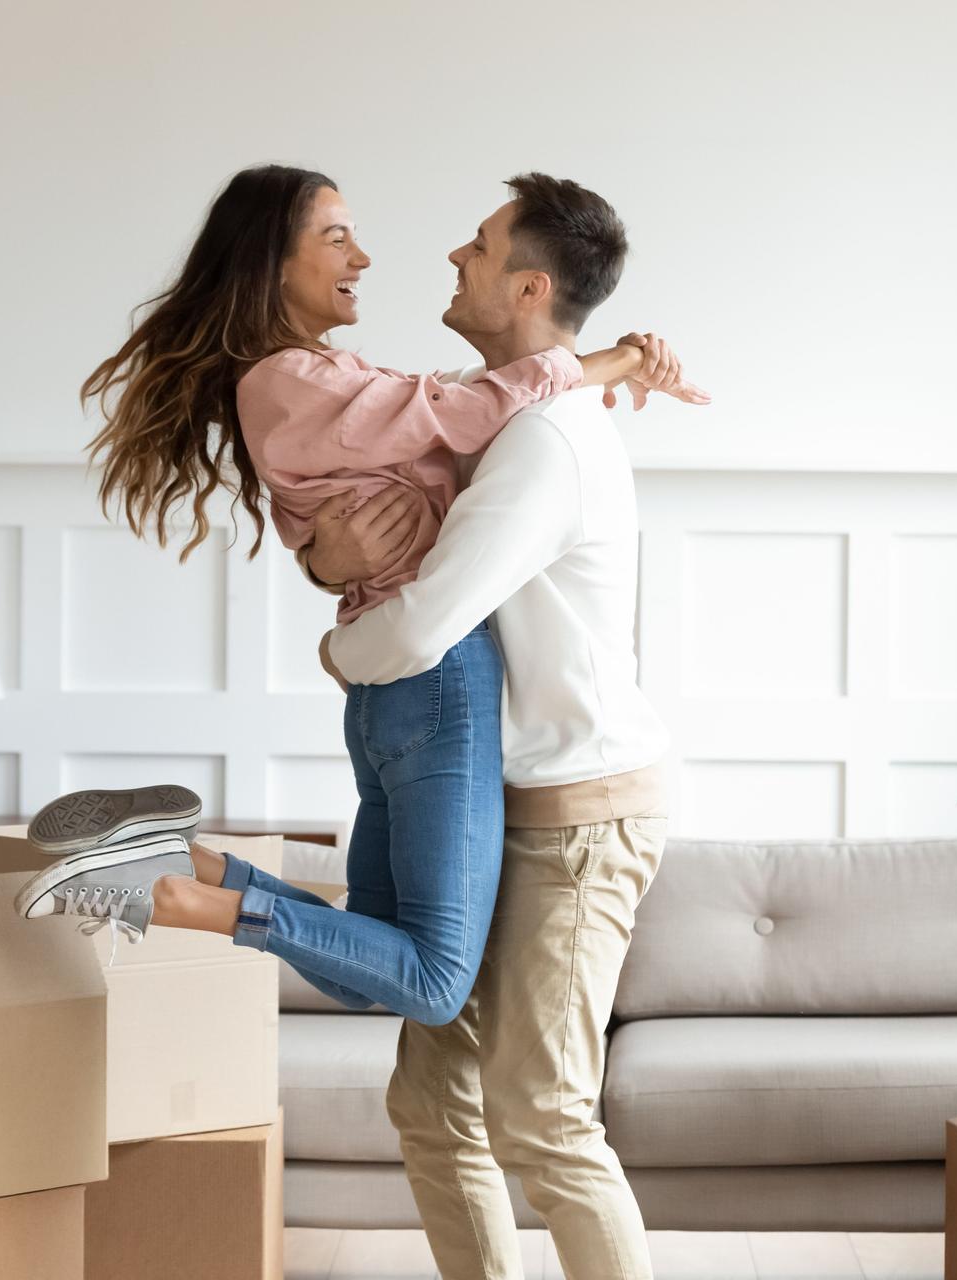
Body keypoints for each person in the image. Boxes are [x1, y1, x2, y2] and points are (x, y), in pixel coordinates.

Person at [11, 165, 704, 1035]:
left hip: (399, 695)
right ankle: (187, 900)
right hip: (433, 682)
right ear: (272, 262)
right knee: (434, 980)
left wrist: (617, 361)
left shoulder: (319, 380)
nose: (364, 256)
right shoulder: (293, 380)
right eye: (335, 236)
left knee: (362, 964)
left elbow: (440, 438)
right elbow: (460, 410)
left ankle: (176, 863)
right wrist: (611, 360)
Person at [300, 173, 675, 1280]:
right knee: (430, 1103)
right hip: (499, 806)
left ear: (528, 284)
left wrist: (332, 648)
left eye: (475, 246)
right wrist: (330, 557)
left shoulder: (544, 446)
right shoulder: (514, 410)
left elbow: (420, 623)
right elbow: (377, 528)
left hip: (578, 821)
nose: (450, 260)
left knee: (545, 1118)